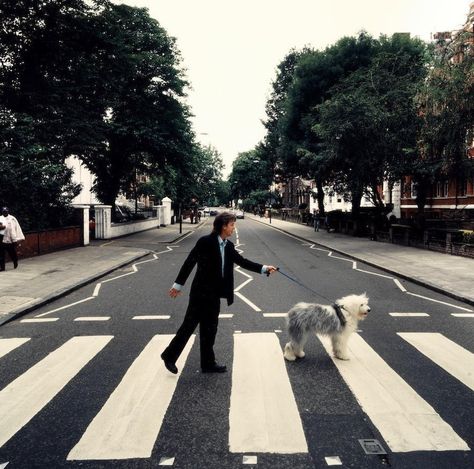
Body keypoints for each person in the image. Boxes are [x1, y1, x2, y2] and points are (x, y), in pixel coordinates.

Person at [161, 211, 277, 374]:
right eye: (232, 225)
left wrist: (264, 268)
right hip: (200, 293)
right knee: (188, 326)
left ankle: (208, 363)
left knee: (210, 328)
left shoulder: (228, 246)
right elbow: (190, 262)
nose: (234, 228)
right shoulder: (205, 242)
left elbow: (242, 262)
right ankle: (169, 356)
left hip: (215, 294)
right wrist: (178, 285)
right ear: (223, 226)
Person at [0, 207, 25, 272]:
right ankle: (2, 268)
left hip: (10, 240)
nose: (5, 212)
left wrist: (17, 238)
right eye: (4, 211)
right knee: (1, 254)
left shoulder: (12, 218)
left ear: (8, 211)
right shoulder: (0, 218)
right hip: (1, 240)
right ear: (2, 212)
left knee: (12, 253)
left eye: (6, 211)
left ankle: (15, 261)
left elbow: (16, 228)